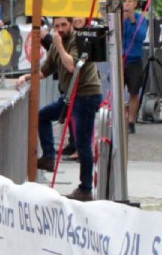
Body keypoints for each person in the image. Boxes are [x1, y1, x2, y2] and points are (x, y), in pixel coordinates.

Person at [14, 16, 102, 201]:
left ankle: (86, 189)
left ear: (71, 25)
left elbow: (71, 66)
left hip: (86, 94)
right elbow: (45, 70)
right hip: (70, 95)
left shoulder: (78, 40)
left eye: (64, 25)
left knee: (83, 144)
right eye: (57, 26)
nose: (60, 29)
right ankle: (48, 157)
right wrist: (26, 77)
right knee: (43, 116)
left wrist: (59, 45)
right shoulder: (56, 44)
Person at [122, 0, 148, 134]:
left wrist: (132, 21)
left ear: (135, 4)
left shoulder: (140, 19)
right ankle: (122, 118)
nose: (127, 4)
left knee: (134, 92)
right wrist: (122, 19)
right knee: (118, 91)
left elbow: (141, 37)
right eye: (125, 1)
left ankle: (131, 121)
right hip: (120, 60)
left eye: (130, 1)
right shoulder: (119, 18)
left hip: (134, 60)